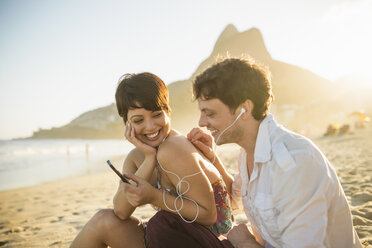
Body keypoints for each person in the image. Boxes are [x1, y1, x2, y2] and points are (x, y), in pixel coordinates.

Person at [168, 57, 361, 247]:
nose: (201, 122)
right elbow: (236, 202)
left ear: (244, 110)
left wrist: (245, 242)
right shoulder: (249, 152)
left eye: (210, 113)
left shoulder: (293, 163)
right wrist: (212, 159)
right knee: (167, 225)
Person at [70, 72, 233, 248]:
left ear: (168, 112)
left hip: (209, 237)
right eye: (139, 120)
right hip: (175, 233)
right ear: (127, 124)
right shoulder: (136, 157)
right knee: (103, 220)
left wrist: (153, 196)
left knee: (154, 223)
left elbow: (209, 215)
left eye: (156, 115)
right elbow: (120, 211)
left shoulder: (173, 148)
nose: (150, 126)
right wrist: (149, 158)